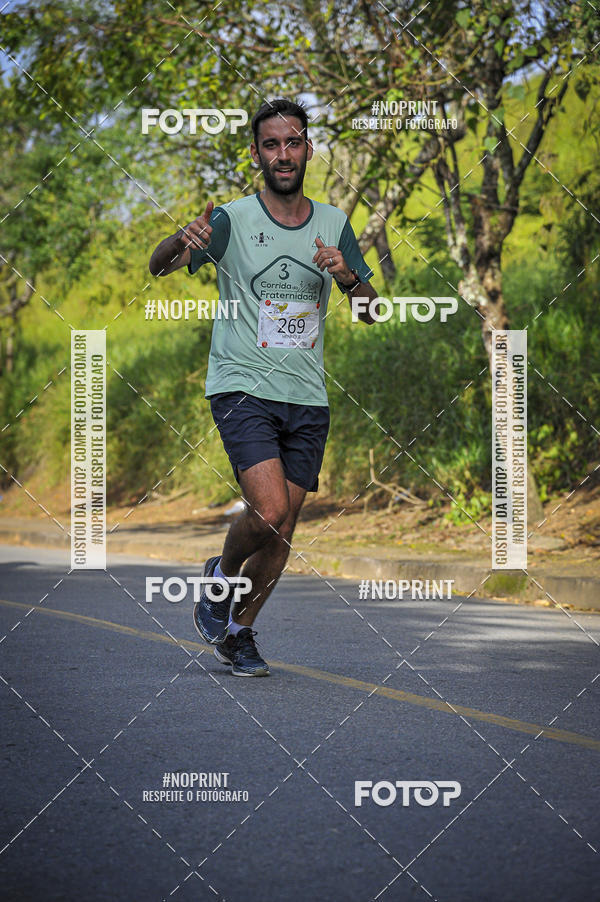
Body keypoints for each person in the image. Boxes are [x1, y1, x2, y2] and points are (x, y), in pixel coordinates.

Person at [149, 97, 379, 676]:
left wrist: (350, 278)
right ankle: (221, 577)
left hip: (307, 395)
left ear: (308, 149)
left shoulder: (334, 224)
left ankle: (238, 632)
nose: (283, 153)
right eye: (271, 144)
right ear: (257, 153)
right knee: (270, 510)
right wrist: (180, 240)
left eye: (293, 141)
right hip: (242, 385)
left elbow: (372, 311)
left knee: (283, 532)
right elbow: (157, 266)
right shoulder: (230, 219)